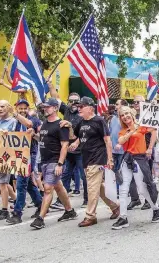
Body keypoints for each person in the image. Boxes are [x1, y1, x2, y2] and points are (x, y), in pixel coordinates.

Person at [67, 97, 119, 227]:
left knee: (91, 188)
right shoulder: (82, 122)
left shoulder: (99, 121)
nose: (79, 109)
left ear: (90, 108)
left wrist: (110, 158)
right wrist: (70, 130)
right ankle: (116, 206)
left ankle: (90, 216)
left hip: (97, 158)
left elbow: (107, 141)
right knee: (98, 188)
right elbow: (77, 136)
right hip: (86, 158)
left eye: (81, 106)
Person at [112, 106, 159, 230]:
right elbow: (121, 140)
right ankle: (123, 217)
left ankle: (156, 208)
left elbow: (154, 130)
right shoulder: (123, 130)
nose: (125, 116)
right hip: (127, 159)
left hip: (139, 159)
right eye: (122, 115)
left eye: (127, 113)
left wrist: (150, 148)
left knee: (142, 188)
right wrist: (131, 131)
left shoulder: (142, 126)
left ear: (132, 114)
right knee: (123, 189)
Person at [31, 98, 77, 229]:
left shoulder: (61, 125)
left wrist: (60, 164)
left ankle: (40, 218)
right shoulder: (45, 123)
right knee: (58, 187)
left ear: (55, 108)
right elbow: (44, 139)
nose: (45, 109)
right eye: (44, 107)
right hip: (45, 161)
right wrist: (34, 135)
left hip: (54, 161)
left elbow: (64, 145)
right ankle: (69, 211)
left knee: (48, 189)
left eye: (48, 107)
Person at [47, 81, 88, 209]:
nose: (74, 103)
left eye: (76, 101)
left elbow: (86, 133)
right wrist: (50, 85)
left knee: (84, 176)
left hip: (81, 151)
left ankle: (87, 199)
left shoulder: (82, 114)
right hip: (68, 151)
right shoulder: (66, 110)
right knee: (64, 175)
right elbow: (56, 98)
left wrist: (76, 143)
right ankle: (60, 200)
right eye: (71, 101)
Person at [6, 100, 44, 224]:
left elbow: (28, 124)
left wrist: (16, 114)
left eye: (24, 108)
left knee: (21, 183)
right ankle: (41, 206)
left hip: (30, 154)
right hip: (17, 155)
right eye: (20, 108)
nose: (22, 110)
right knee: (28, 185)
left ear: (28, 109)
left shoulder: (34, 120)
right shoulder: (14, 123)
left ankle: (17, 213)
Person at [0, 100, 19, 221]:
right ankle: (17, 201)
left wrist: (7, 134)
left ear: (8, 108)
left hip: (6, 156)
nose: (0, 109)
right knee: (2, 183)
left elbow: (17, 136)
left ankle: (4, 210)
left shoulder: (13, 121)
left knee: (2, 183)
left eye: (2, 106)